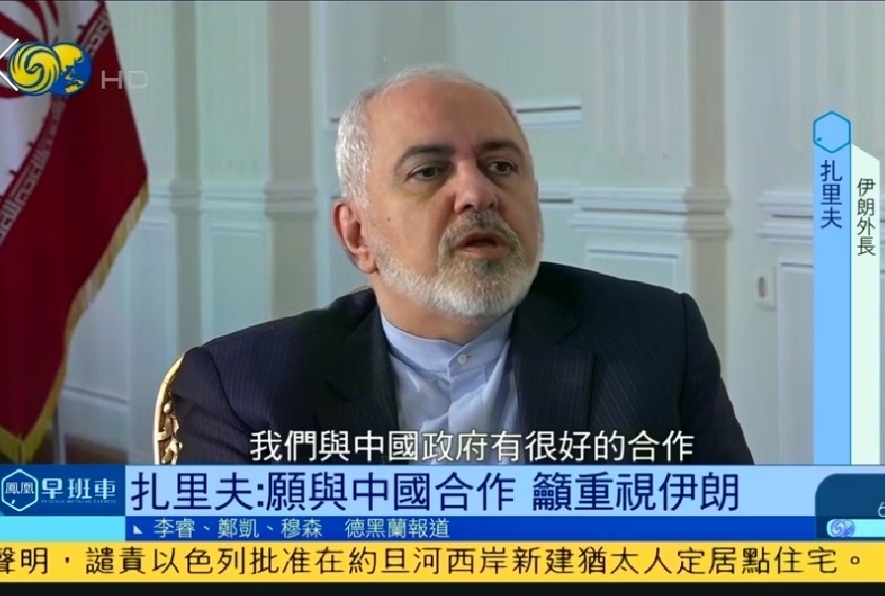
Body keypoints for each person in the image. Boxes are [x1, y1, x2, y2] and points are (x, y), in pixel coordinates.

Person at [167, 65, 753, 465]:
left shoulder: (655, 338)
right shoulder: (245, 390)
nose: (477, 193)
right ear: (357, 233)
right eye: (428, 172)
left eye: (502, 166)